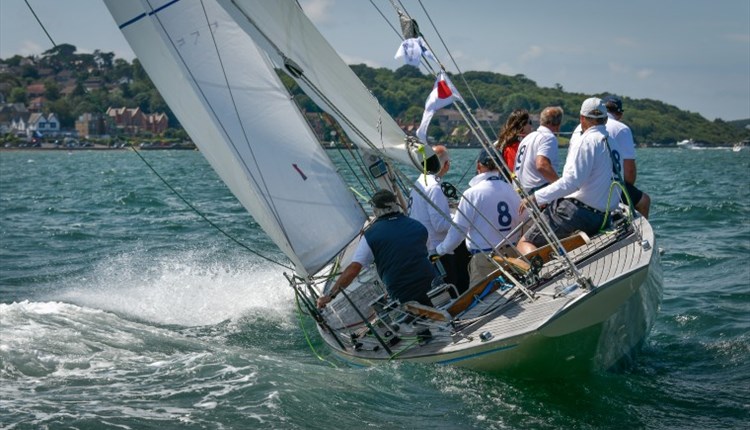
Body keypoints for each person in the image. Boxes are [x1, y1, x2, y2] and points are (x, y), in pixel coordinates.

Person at [517, 98, 618, 255]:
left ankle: (540, 277)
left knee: (525, 242)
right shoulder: (612, 140)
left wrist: (536, 197)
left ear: (582, 118)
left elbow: (572, 182)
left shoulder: (587, 140)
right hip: (602, 217)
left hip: (578, 213)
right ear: (605, 119)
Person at [317, 189, 436, 309]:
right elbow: (422, 255)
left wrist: (330, 295)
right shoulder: (418, 226)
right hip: (432, 284)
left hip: (403, 293)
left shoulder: (370, 236)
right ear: (396, 204)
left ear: (375, 210)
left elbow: (354, 269)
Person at [433, 150, 522, 287]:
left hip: (486, 262)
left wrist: (439, 251)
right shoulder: (511, 190)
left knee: (481, 303)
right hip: (513, 256)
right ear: (499, 167)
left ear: (478, 166)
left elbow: (458, 231)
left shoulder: (472, 194)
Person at [408, 145, 458, 286]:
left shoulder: (418, 184)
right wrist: (459, 218)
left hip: (422, 249)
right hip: (438, 251)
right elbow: (440, 225)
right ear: (445, 165)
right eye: (448, 162)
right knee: (450, 287)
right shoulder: (434, 188)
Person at [603, 95, 651, 218]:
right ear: (620, 114)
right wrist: (628, 188)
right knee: (644, 201)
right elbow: (629, 171)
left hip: (582, 184)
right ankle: (638, 235)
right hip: (606, 186)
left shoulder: (582, 126)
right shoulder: (621, 129)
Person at [514, 106, 564, 193]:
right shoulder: (548, 137)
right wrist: (561, 187)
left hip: (520, 192)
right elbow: (542, 165)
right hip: (536, 192)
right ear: (558, 124)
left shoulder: (527, 138)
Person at [495, 109, 532, 174]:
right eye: (530, 122)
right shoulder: (513, 145)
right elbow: (514, 170)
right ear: (522, 125)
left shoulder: (506, 141)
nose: (531, 126)